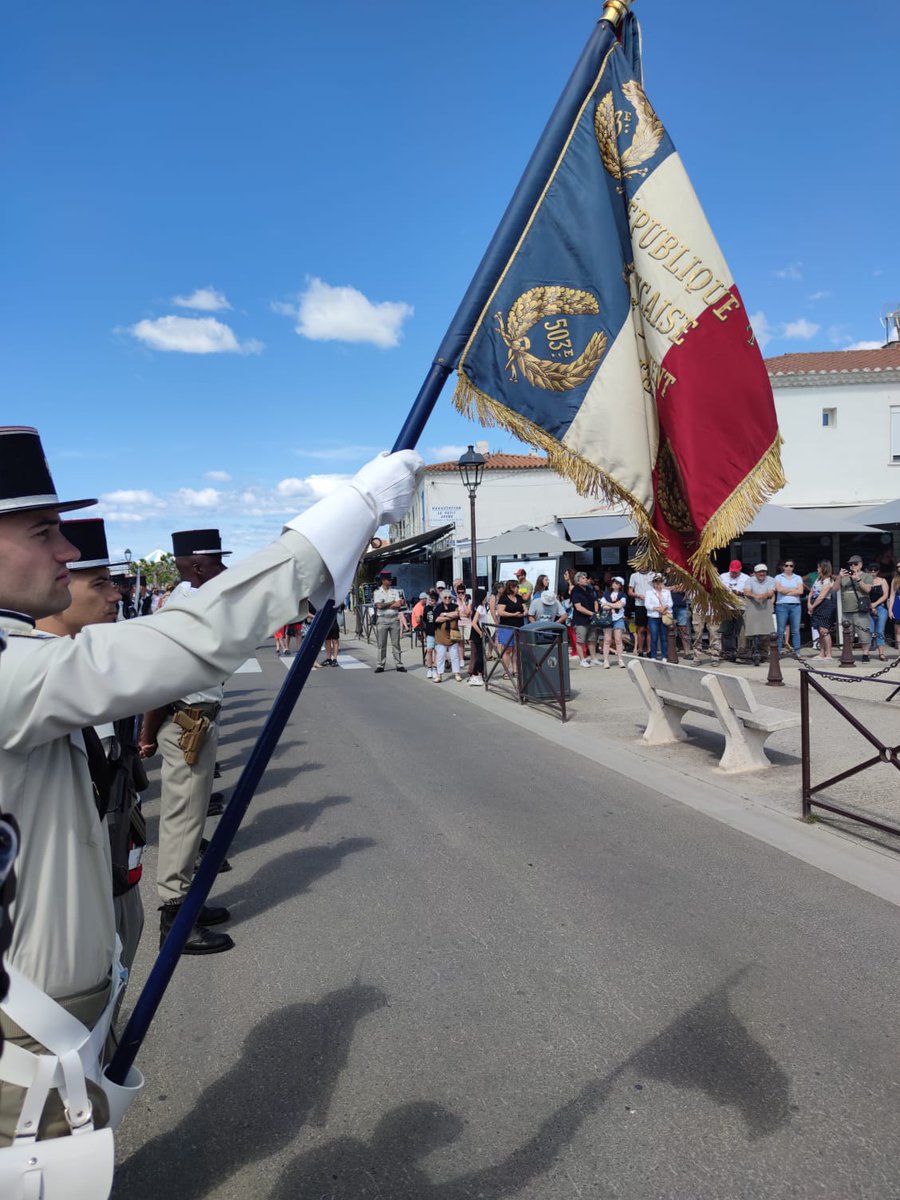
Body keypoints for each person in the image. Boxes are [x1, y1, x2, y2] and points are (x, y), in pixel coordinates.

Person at [0, 428, 421, 1147]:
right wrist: (334, 524)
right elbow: (184, 642)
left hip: (52, 1011)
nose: (68, 552)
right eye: (45, 532)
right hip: (30, 1027)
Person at [35, 518, 147, 976]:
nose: (116, 595)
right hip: (73, 898)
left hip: (120, 865)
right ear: (59, 584)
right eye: (99, 583)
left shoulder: (95, 662)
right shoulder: (38, 680)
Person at [137, 529, 236, 956]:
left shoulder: (196, 603)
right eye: (217, 563)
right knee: (181, 824)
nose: (224, 569)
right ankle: (176, 922)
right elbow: (160, 680)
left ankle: (190, 904)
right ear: (197, 567)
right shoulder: (182, 612)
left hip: (197, 721)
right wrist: (146, 736)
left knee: (192, 821)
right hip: (186, 725)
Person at [836, 554, 874, 663]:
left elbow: (867, 590)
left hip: (860, 609)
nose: (853, 566)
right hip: (846, 610)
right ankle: (848, 654)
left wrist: (858, 579)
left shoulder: (867, 576)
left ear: (861, 564)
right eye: (850, 564)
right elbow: (834, 589)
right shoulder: (845, 577)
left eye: (855, 564)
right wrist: (839, 577)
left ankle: (865, 654)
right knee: (848, 634)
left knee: (864, 633)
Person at [372, 568, 406, 674]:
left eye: (390, 580)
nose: (390, 581)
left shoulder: (395, 591)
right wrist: (391, 603)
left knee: (396, 643)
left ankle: (399, 664)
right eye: (388, 579)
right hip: (382, 619)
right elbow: (379, 606)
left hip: (394, 619)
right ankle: (380, 665)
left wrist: (386, 604)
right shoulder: (377, 592)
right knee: (381, 644)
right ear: (383, 580)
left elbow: (399, 604)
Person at [743, 564, 775, 666]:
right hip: (752, 606)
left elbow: (771, 592)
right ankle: (747, 653)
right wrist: (755, 596)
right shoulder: (750, 580)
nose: (762, 574)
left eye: (764, 572)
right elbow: (746, 591)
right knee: (749, 631)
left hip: (765, 606)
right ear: (756, 573)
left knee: (766, 632)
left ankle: (764, 654)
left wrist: (763, 596)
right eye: (760, 572)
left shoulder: (771, 580)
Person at [718, 559, 749, 661]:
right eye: (732, 571)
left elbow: (749, 593)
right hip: (727, 607)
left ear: (740, 569)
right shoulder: (722, 577)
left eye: (736, 572)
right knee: (727, 631)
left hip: (740, 607)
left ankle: (741, 652)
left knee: (740, 631)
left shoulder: (746, 578)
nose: (733, 573)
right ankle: (729, 652)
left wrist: (740, 593)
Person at [496, 578, 527, 677]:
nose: (517, 588)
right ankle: (506, 671)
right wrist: (513, 614)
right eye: (515, 586)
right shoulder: (504, 598)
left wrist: (524, 613)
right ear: (510, 587)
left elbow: (525, 608)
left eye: (518, 586)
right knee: (507, 649)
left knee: (516, 649)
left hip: (519, 625)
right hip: (507, 627)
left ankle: (515, 670)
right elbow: (500, 612)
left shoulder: (519, 597)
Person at [807, 560, 837, 661]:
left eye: (819, 567)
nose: (817, 569)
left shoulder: (828, 580)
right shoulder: (818, 579)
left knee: (824, 630)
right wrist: (809, 604)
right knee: (819, 630)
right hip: (815, 604)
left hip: (825, 605)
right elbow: (812, 591)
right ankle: (821, 653)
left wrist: (812, 606)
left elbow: (822, 596)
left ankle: (829, 654)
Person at [774, 559, 804, 654]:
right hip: (781, 605)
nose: (789, 568)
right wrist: (793, 590)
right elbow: (779, 589)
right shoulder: (778, 577)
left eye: (791, 566)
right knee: (780, 630)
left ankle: (797, 652)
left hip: (796, 606)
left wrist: (785, 590)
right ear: (783, 567)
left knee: (795, 630)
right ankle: (778, 651)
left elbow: (800, 591)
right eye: (786, 565)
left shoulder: (798, 577)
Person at [433, 587, 463, 682]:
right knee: (441, 656)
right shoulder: (438, 608)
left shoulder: (454, 606)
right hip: (441, 635)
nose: (447, 599)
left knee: (454, 655)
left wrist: (444, 615)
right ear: (442, 598)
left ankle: (457, 673)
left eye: (449, 597)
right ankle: (439, 675)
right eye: (445, 597)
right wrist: (449, 616)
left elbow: (457, 614)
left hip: (452, 634)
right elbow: (437, 619)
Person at [570, 571, 599, 667]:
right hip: (580, 619)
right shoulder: (575, 591)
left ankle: (594, 659)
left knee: (592, 639)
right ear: (577, 581)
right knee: (580, 640)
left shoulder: (590, 589)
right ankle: (582, 660)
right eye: (583, 578)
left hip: (592, 619)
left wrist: (595, 611)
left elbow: (595, 601)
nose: (585, 579)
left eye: (586, 578)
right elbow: (578, 607)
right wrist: (591, 613)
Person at [600, 576, 628, 668]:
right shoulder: (606, 594)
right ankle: (606, 660)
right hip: (607, 618)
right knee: (607, 640)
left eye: (616, 583)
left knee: (618, 640)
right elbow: (603, 606)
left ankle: (620, 659)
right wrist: (614, 605)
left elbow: (620, 606)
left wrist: (609, 604)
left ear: (620, 585)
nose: (614, 584)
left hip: (618, 618)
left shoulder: (623, 595)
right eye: (613, 582)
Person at [645, 574, 673, 660]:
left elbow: (671, 603)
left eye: (660, 581)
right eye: (656, 582)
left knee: (664, 637)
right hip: (653, 616)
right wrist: (656, 609)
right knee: (654, 636)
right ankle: (653, 655)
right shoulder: (649, 592)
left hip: (664, 615)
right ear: (653, 583)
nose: (658, 584)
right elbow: (647, 605)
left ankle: (664, 656)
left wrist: (665, 607)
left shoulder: (666, 592)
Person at [867, 562, 889, 662]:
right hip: (868, 607)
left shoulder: (882, 580)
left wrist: (875, 604)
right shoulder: (865, 581)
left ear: (878, 571)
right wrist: (871, 607)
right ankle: (867, 652)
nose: (873, 572)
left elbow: (885, 595)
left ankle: (881, 653)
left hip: (880, 607)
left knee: (880, 631)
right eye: (871, 570)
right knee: (869, 631)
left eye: (875, 570)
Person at [627, 568, 652, 657]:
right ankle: (640, 649)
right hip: (639, 604)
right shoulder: (634, 575)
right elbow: (630, 592)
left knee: (649, 628)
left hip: (651, 604)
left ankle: (649, 650)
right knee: (640, 629)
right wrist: (638, 595)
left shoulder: (653, 575)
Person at [468, 588, 488, 686]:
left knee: (481, 655)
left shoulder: (482, 607)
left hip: (481, 631)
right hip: (478, 633)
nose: (486, 598)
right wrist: (480, 632)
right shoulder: (479, 607)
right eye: (485, 596)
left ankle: (480, 674)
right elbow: (474, 623)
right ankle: (474, 674)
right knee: (479, 656)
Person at [890, 568, 900, 651]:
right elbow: (892, 595)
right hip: (898, 604)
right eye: (897, 567)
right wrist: (890, 610)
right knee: (898, 631)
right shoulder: (895, 579)